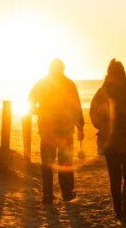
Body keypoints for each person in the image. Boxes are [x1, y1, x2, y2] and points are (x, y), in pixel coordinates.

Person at [89, 58, 126, 224]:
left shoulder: (103, 90)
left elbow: (93, 114)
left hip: (110, 141)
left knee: (115, 176)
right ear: (123, 72)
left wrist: (102, 126)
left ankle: (118, 210)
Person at [28, 59, 84, 206]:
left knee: (48, 163)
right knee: (65, 163)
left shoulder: (42, 83)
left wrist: (38, 111)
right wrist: (80, 127)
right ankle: (66, 193)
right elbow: (76, 106)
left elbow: (30, 101)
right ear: (63, 68)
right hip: (64, 130)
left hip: (47, 129)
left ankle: (48, 195)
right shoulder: (69, 84)